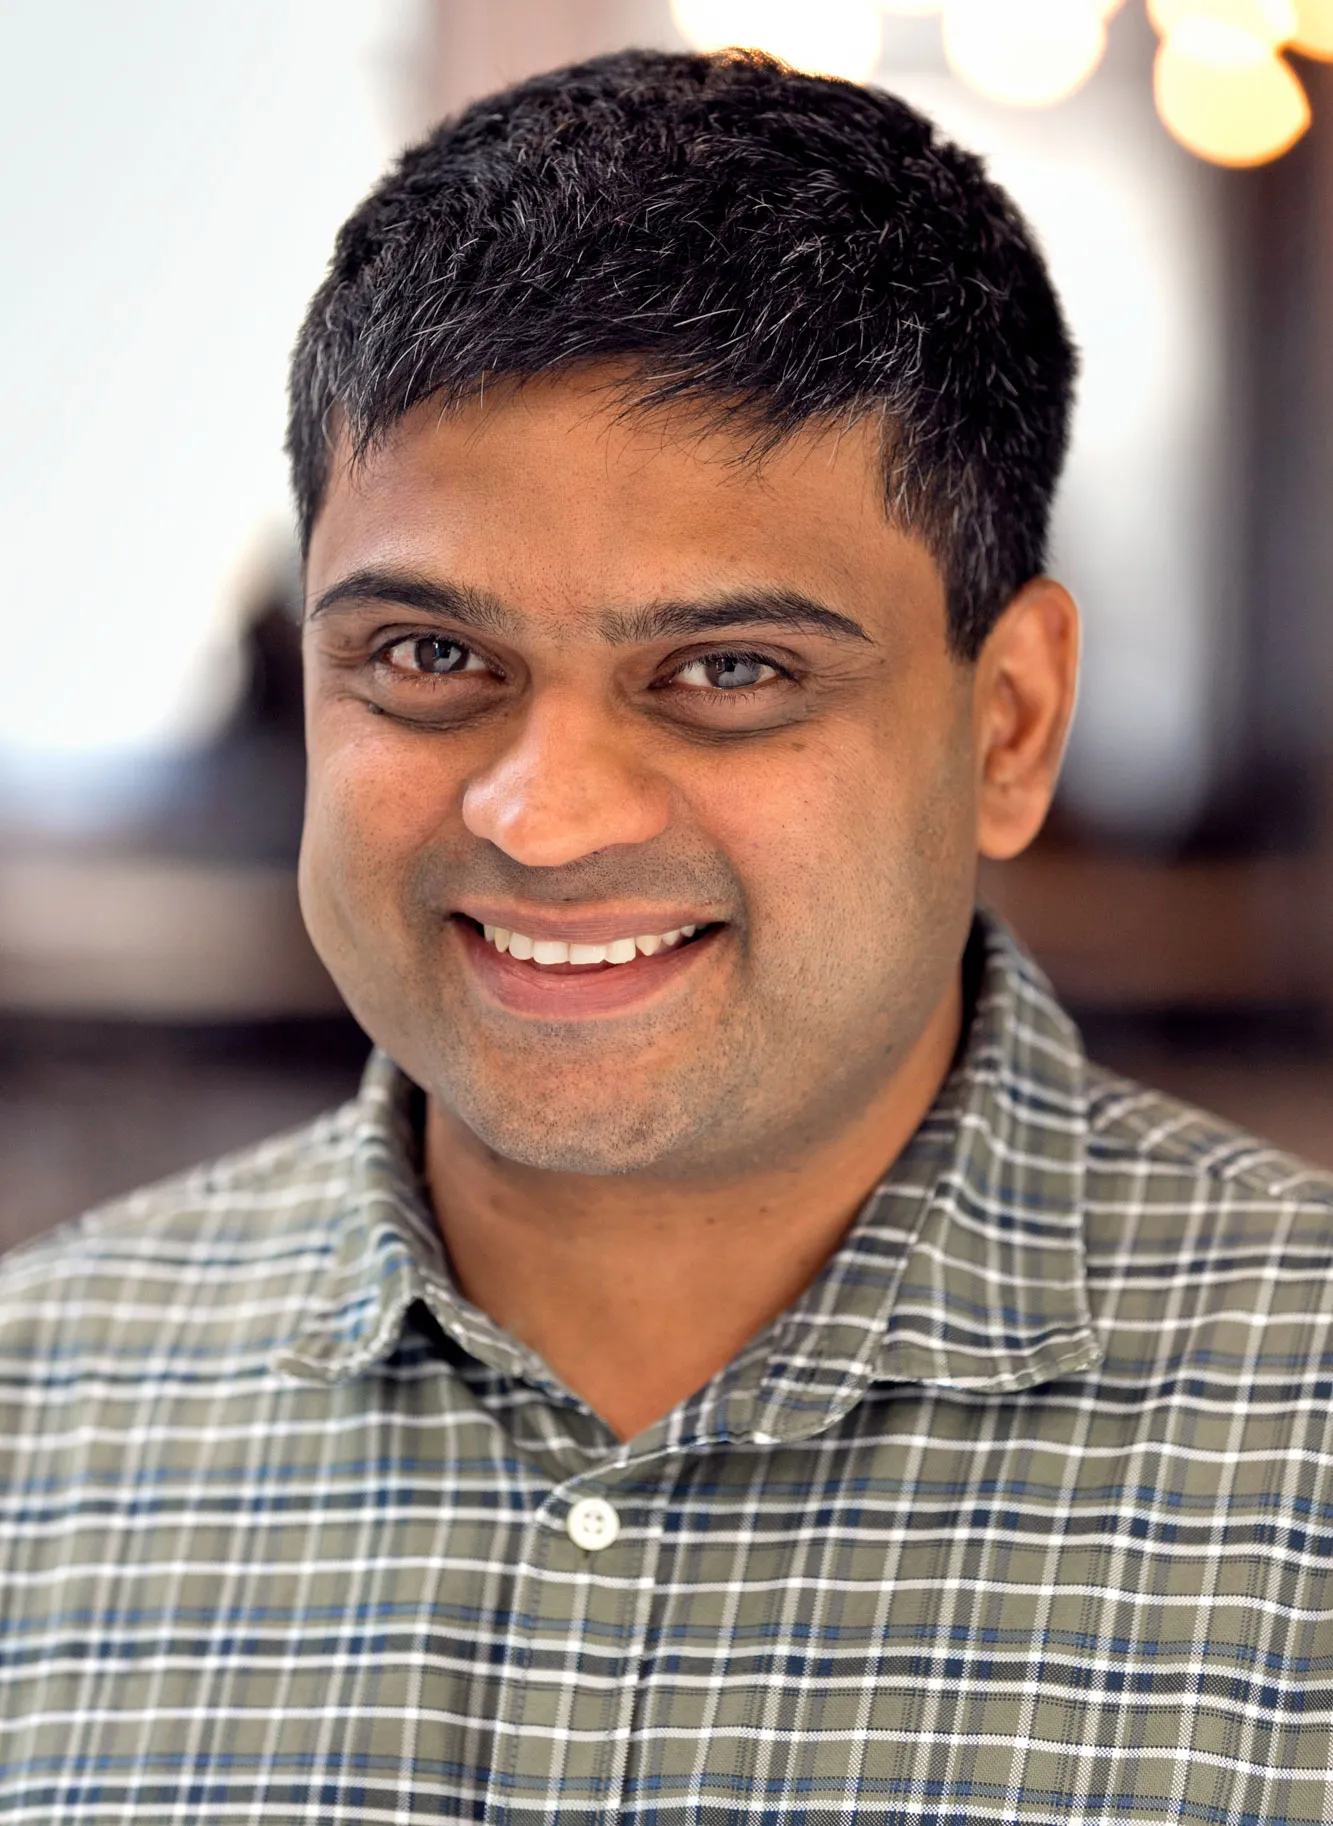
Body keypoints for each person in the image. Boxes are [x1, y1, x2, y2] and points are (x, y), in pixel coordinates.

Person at [1, 47, 1329, 1825]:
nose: (542, 816)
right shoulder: (34, 1421)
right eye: (426, 656)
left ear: (1009, 723)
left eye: (726, 673)